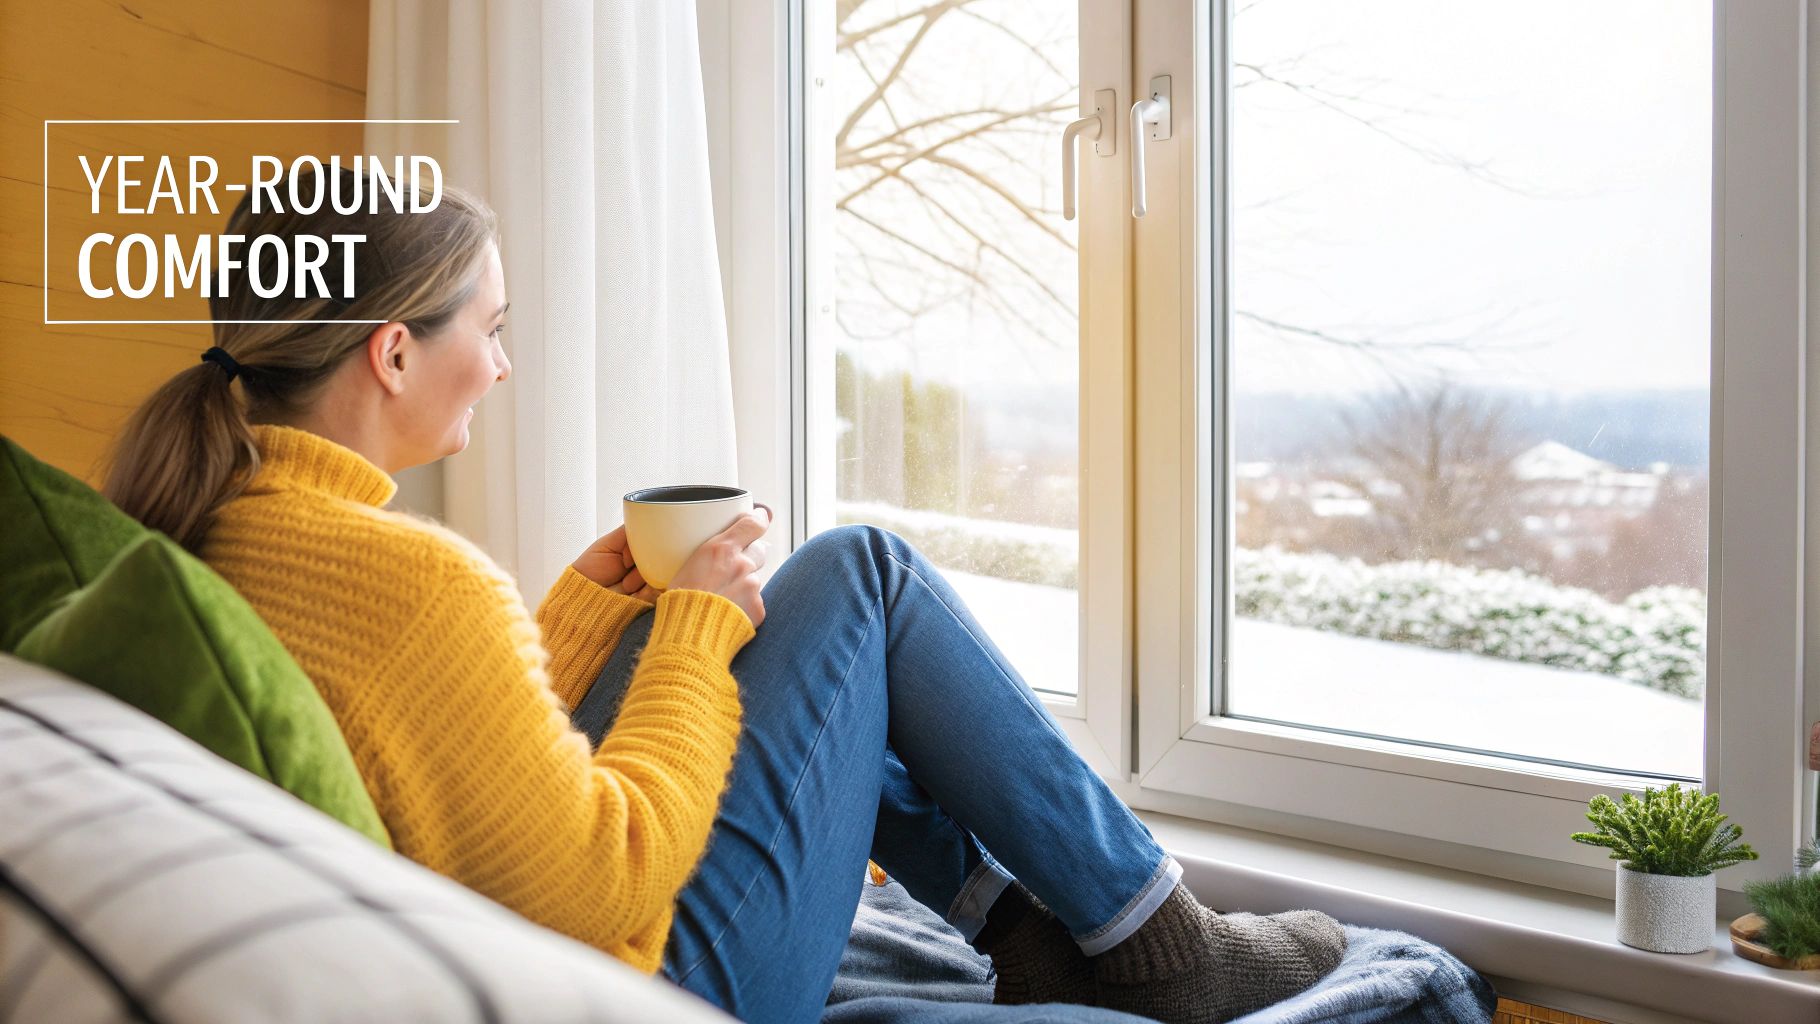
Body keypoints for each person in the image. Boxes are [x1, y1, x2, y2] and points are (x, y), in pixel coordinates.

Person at [105, 169, 1346, 1024]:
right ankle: (1158, 941)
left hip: (501, 943)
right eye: (490, 326)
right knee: (861, 577)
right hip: (652, 986)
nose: (501, 362)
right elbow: (606, 873)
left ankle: (1025, 930)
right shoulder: (415, 580)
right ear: (390, 351)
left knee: (760, 631)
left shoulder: (209, 529)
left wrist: (596, 615)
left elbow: (429, 763)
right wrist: (697, 622)